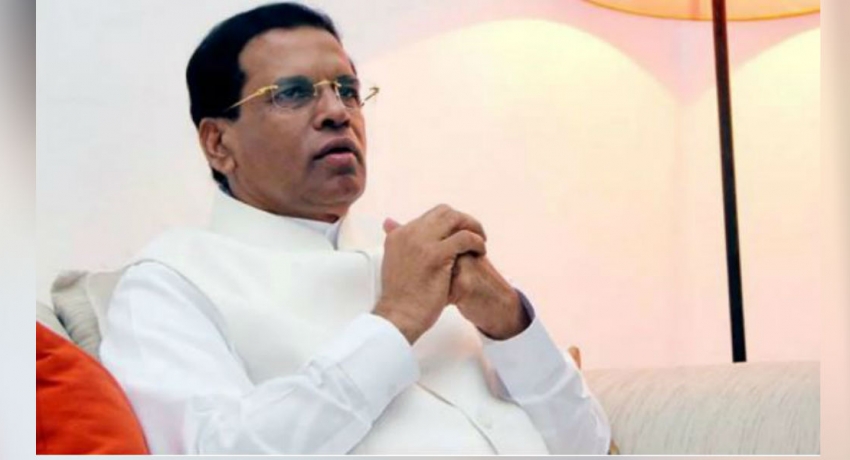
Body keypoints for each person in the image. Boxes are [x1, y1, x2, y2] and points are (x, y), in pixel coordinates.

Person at [99, 2, 612, 455]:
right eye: (292, 94)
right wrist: (397, 320)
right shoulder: (170, 282)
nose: (337, 112)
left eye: (347, 90)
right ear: (218, 143)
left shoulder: (411, 250)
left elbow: (587, 446)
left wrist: (510, 321)